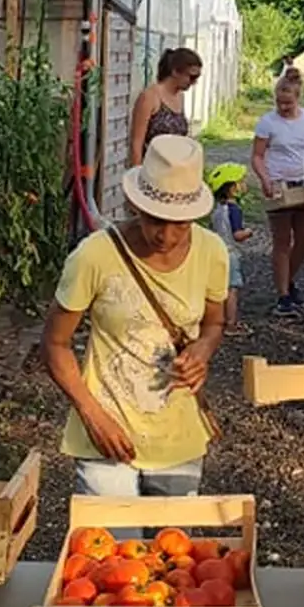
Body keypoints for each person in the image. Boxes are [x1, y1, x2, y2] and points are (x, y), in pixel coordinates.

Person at [42, 134, 228, 497]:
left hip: (178, 433)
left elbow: (214, 323)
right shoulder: (94, 256)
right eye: (157, 219)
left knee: (174, 551)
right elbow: (54, 343)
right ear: (135, 206)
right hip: (107, 434)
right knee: (112, 551)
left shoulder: (212, 252)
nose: (167, 236)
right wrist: (92, 415)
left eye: (182, 223)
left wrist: (201, 353)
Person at [252, 68, 304, 318]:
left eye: (288, 102)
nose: (283, 107)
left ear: (298, 98)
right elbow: (257, 156)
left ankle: (288, 279)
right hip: (278, 184)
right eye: (279, 102)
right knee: (281, 240)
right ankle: (283, 295)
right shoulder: (268, 122)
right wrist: (265, 178)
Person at [131, 47, 203, 166]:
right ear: (175, 72)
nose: (193, 82)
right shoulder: (150, 97)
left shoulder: (180, 97)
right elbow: (136, 143)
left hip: (174, 173)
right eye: (191, 77)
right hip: (152, 171)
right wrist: (137, 176)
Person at [206, 162, 252, 336]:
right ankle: (231, 323)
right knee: (232, 288)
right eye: (241, 181)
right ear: (233, 188)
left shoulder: (216, 209)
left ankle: (215, 320)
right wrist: (248, 232)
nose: (244, 184)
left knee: (217, 289)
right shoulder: (234, 210)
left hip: (215, 251)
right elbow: (237, 235)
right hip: (230, 253)